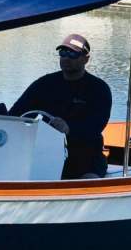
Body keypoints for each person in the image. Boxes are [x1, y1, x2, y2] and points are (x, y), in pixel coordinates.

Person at [9, 34, 112, 179]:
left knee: (88, 181)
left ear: (86, 58)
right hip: (45, 153)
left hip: (86, 157)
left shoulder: (99, 89)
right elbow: (17, 114)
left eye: (72, 53)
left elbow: (96, 125)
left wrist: (69, 128)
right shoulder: (44, 84)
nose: (66, 58)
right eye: (63, 52)